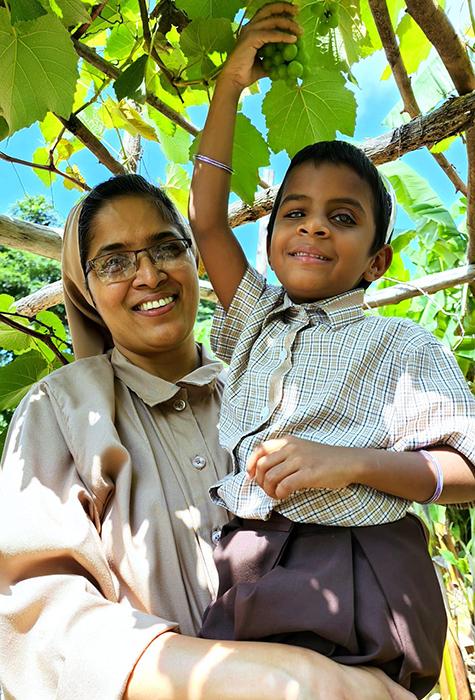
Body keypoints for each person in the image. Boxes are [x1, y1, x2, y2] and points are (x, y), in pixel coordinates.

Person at [0, 174, 416, 700]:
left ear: (193, 259)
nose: (148, 275)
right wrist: (280, 680)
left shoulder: (270, 390)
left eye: (166, 248)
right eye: (114, 261)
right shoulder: (61, 411)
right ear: (85, 288)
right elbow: (34, 615)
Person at [188, 3, 475, 698]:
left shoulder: (398, 343)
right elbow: (204, 217)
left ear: (376, 262)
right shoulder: (254, 318)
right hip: (245, 556)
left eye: (341, 218)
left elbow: (469, 471)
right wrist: (229, 86)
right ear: (270, 236)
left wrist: (347, 464)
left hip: (356, 562)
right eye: (296, 212)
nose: (314, 226)